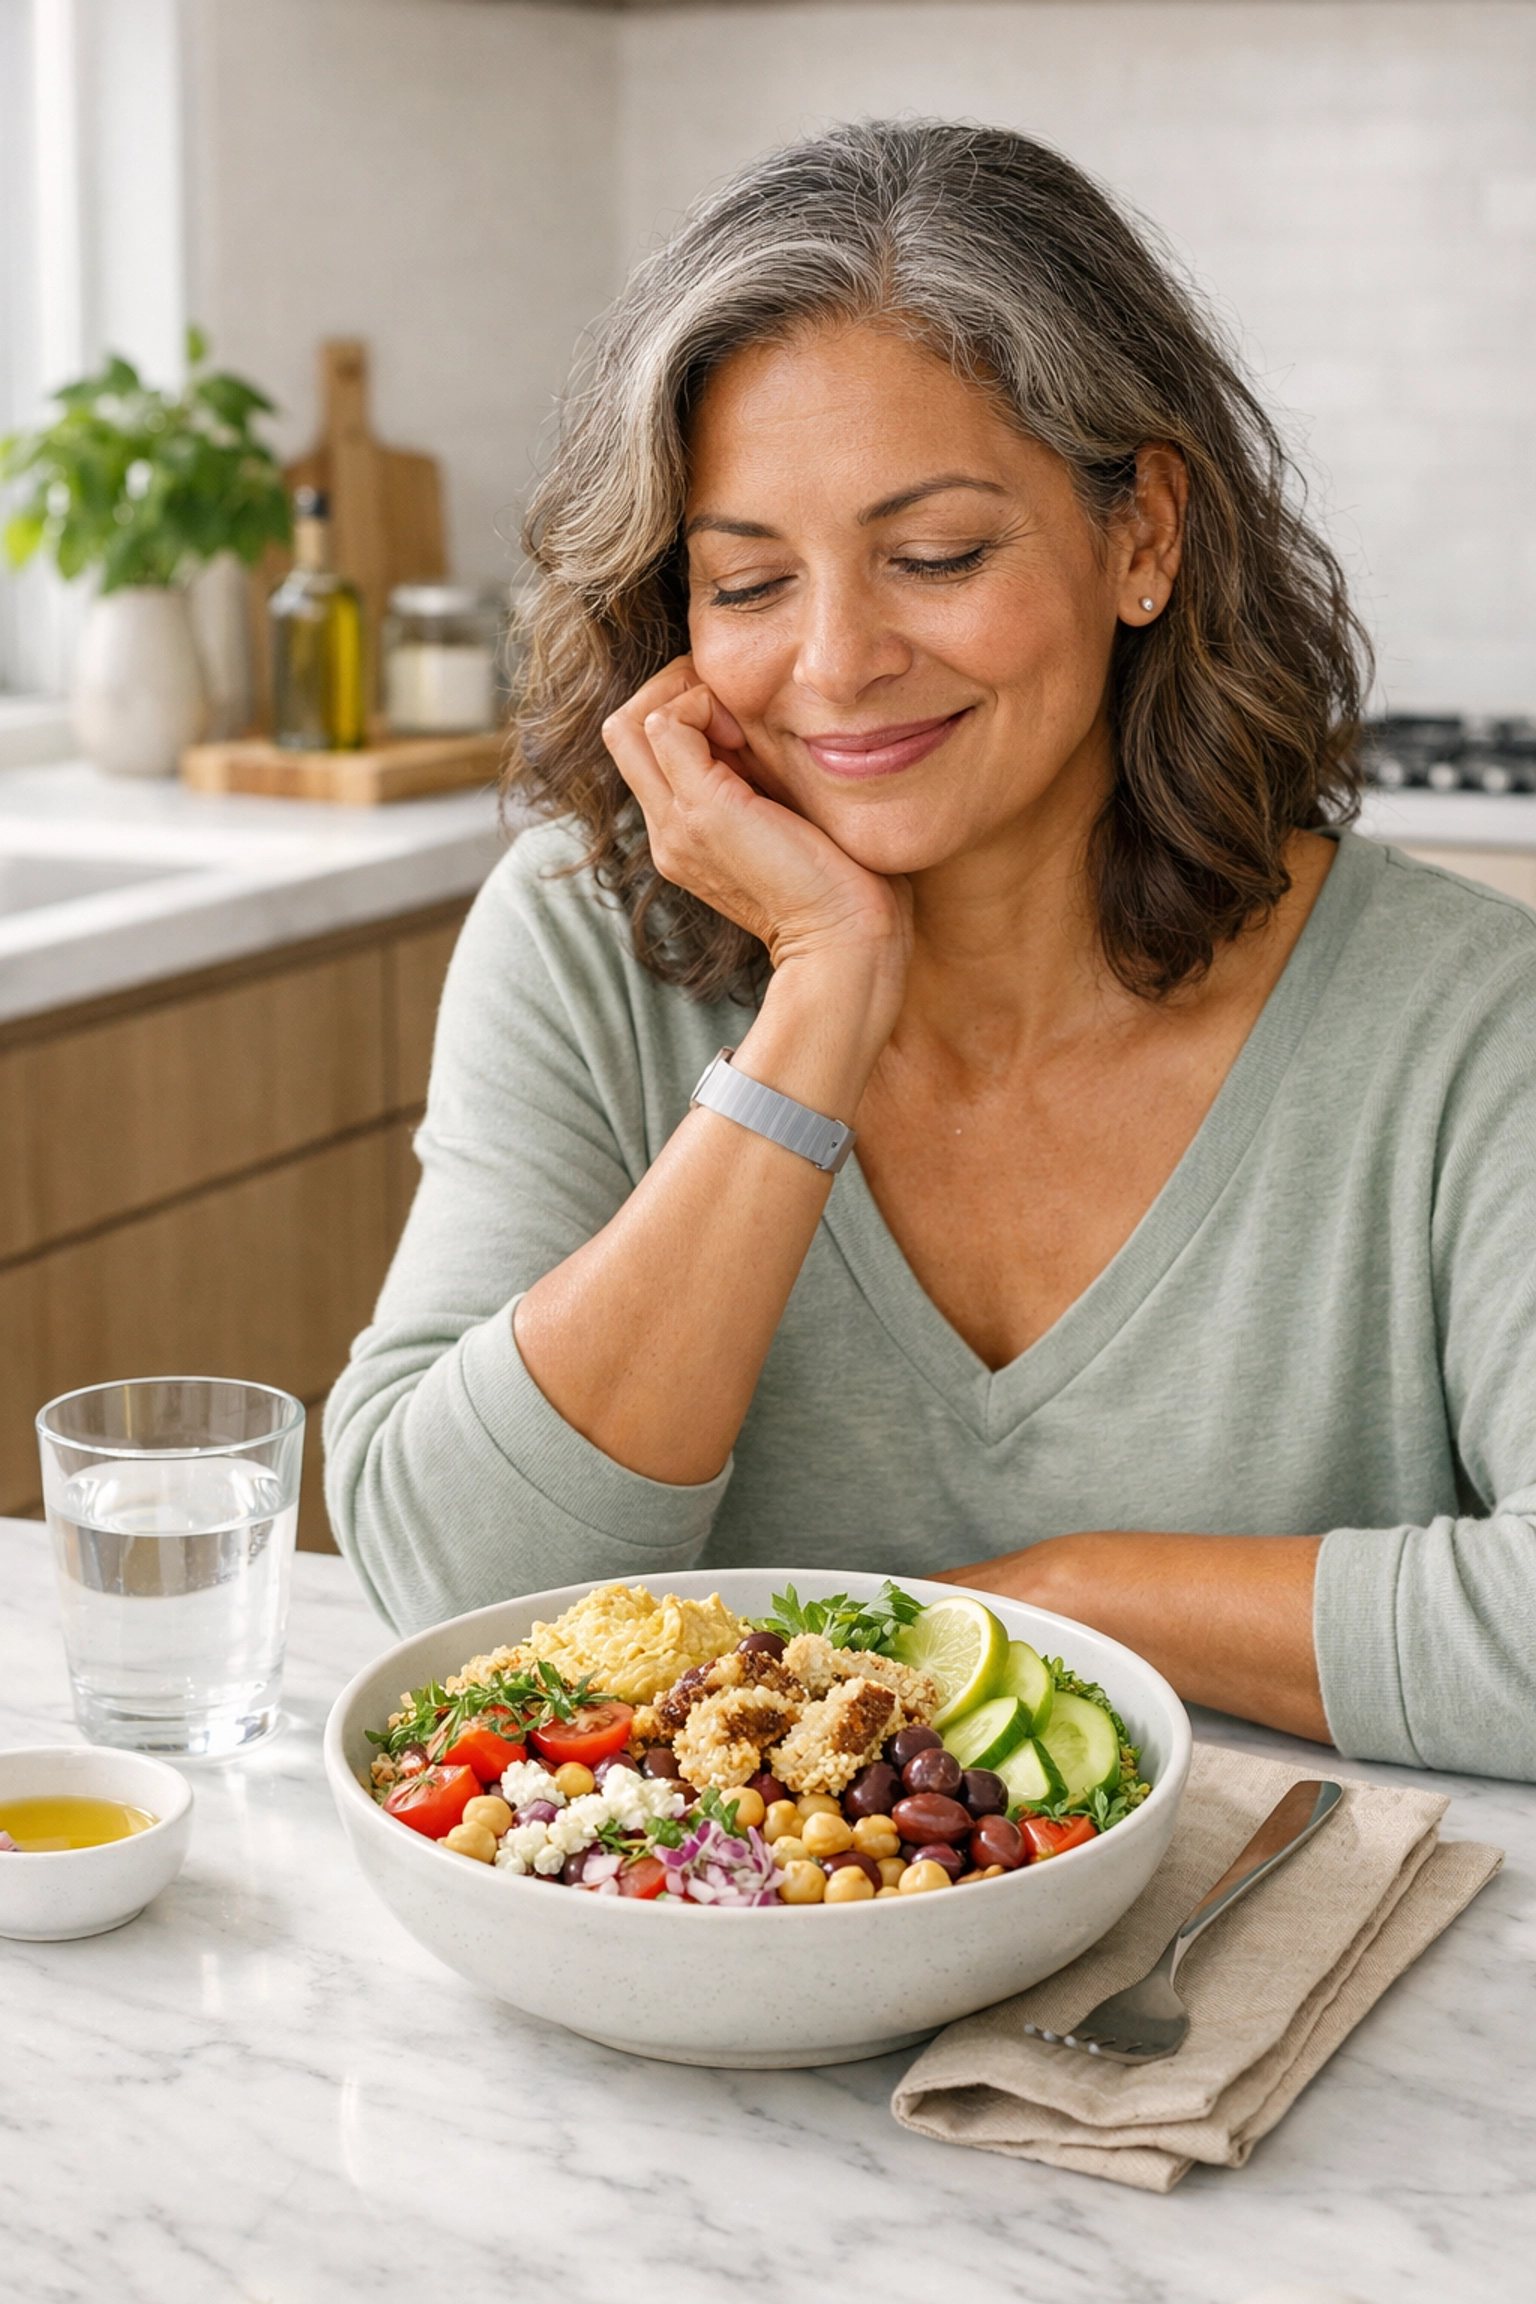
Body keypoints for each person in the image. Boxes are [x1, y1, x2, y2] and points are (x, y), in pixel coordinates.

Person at [325, 122, 1536, 1781]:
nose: (835, 662)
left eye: (938, 557)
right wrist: (816, 1001)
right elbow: (455, 1594)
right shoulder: (574, 943)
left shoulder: (1466, 1018)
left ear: (1142, 538)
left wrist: (1065, 1606)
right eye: (747, 580)